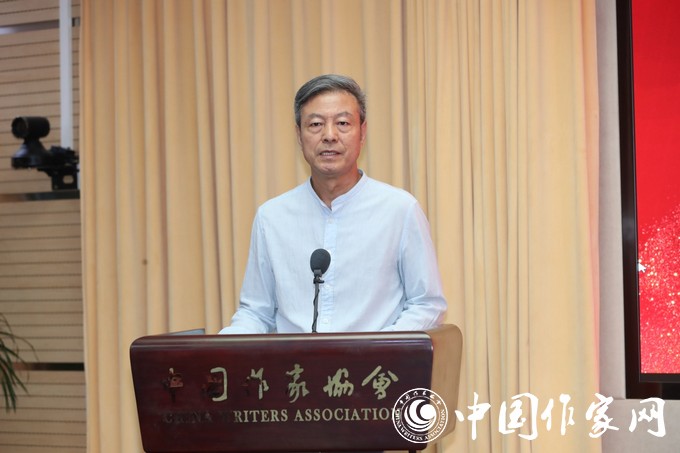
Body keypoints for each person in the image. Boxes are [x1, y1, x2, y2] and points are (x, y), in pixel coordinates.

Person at [219, 74, 446, 334]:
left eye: (342, 123)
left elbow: (427, 304)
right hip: (295, 361)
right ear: (299, 134)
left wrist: (381, 348)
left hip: (373, 359)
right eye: (316, 124)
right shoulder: (271, 218)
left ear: (362, 132)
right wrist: (219, 348)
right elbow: (256, 312)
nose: (329, 135)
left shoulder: (400, 210)